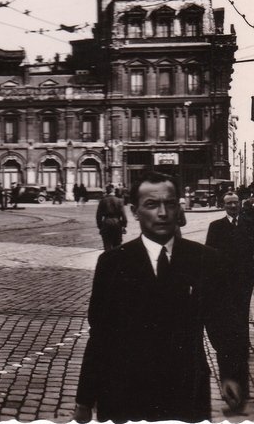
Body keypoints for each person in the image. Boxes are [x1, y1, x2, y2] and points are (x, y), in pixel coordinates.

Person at [74, 170, 248, 423]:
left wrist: (233, 377)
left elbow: (225, 327)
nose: (163, 213)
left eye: (169, 204)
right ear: (134, 211)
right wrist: (84, 399)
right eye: (152, 205)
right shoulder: (112, 264)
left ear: (179, 209)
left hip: (185, 391)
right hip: (125, 393)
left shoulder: (206, 260)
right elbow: (101, 335)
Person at [205, 191, 254, 362]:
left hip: (245, 277)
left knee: (243, 308)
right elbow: (209, 252)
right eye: (229, 203)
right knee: (228, 309)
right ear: (223, 205)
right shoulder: (216, 226)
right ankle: (231, 340)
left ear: (240, 204)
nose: (233, 206)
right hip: (224, 278)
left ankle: (243, 340)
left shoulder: (249, 224)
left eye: (235, 202)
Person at [95, 184, 127, 251]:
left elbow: (98, 216)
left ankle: (108, 260)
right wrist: (124, 225)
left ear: (106, 191)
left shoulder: (103, 201)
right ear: (114, 191)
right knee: (117, 245)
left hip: (106, 223)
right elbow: (124, 216)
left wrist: (100, 226)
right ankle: (117, 260)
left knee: (107, 245)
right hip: (117, 223)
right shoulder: (119, 201)